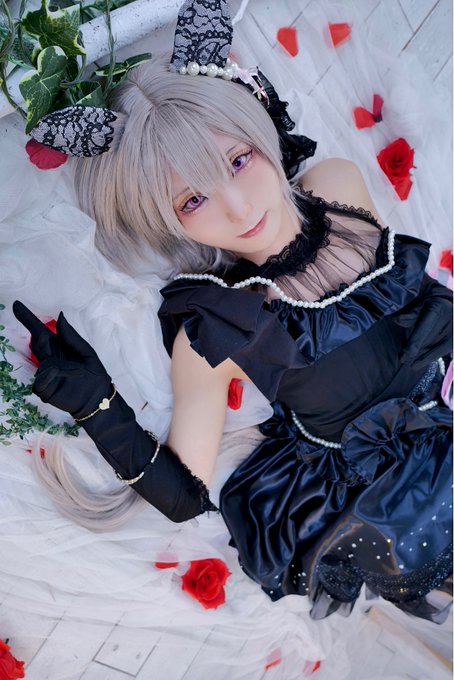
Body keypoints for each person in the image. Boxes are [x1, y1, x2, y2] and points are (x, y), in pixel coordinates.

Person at [13, 0, 452, 623]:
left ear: (260, 130)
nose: (239, 207)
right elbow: (185, 494)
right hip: (388, 507)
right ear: (166, 221)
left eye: (239, 161)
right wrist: (96, 404)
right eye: (192, 200)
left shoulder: (338, 187)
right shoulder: (215, 322)